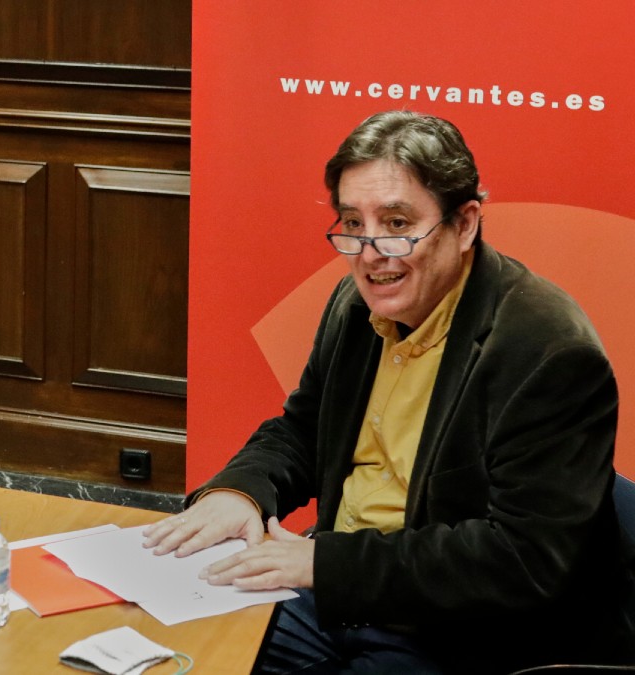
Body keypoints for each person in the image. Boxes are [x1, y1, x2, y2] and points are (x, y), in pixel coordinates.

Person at [143, 111, 635, 673]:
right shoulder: (356, 305)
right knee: (191, 656)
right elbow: (305, 428)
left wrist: (324, 565)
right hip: (336, 595)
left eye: (397, 224)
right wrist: (242, 491)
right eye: (353, 223)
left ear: (465, 223)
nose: (372, 252)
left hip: (462, 634)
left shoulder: (547, 351)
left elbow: (523, 560)